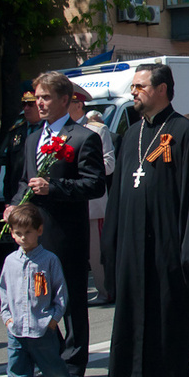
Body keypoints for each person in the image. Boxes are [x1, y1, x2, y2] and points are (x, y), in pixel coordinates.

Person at [102, 63, 189, 377]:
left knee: (168, 316)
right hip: (133, 245)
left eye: (140, 86)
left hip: (169, 243)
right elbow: (119, 192)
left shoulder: (185, 132)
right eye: (133, 87)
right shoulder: (131, 134)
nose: (134, 92)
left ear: (162, 89)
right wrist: (113, 243)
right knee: (135, 313)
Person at [5, 71, 105, 377]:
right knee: (41, 296)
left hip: (67, 231)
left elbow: (94, 184)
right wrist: (14, 205)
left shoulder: (83, 137)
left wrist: (55, 187)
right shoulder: (34, 138)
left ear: (65, 100)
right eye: (38, 98)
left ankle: (75, 363)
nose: (40, 104)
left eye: (46, 98)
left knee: (72, 298)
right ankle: (55, 355)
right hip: (36, 232)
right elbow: (24, 179)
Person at [0, 204, 75, 377]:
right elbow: (3, 290)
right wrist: (7, 318)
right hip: (17, 330)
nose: (23, 238)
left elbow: (60, 292)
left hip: (42, 329)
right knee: (16, 372)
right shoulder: (10, 261)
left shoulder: (49, 260)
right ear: (11, 233)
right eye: (18, 233)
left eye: (28, 232)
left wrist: (53, 319)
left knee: (53, 369)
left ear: (39, 230)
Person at [69, 84, 117, 306]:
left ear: (78, 105)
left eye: (67, 102)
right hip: (69, 198)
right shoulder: (59, 131)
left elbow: (109, 162)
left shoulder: (97, 130)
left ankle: (106, 289)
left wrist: (86, 168)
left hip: (92, 202)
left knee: (96, 253)